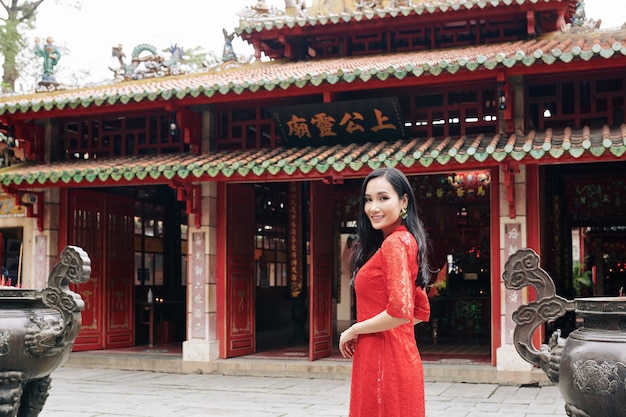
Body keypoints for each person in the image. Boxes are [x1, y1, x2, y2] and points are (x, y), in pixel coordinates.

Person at [339, 167, 432, 417]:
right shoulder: (408, 240)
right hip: (400, 356)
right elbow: (421, 311)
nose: (373, 207)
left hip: (382, 362)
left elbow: (400, 312)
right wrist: (386, 333)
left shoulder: (393, 244)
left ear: (403, 201)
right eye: (368, 200)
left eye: (383, 198)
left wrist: (355, 329)